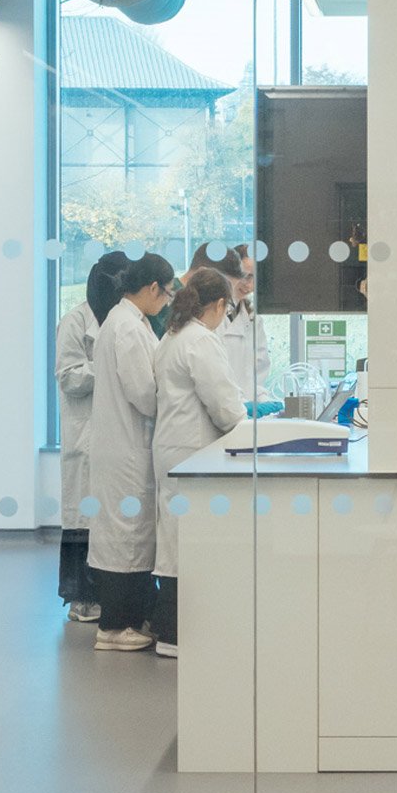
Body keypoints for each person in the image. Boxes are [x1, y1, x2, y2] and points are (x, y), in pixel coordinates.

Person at [150, 267, 247, 659]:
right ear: (220, 304)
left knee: (174, 541)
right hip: (190, 451)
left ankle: (172, 632)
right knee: (185, 545)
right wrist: (250, 424)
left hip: (173, 448)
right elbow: (224, 406)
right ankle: (176, 635)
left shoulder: (172, 336)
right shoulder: (200, 341)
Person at [84, 253, 174, 653]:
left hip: (123, 445)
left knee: (127, 534)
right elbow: (143, 392)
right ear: (153, 287)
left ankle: (126, 620)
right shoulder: (127, 328)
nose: (168, 301)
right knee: (125, 536)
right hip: (126, 448)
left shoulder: (127, 322)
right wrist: (175, 401)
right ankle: (114, 627)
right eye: (167, 292)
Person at [52, 249, 131, 625]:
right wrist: (111, 370)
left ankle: (109, 594)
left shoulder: (124, 319)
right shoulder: (75, 321)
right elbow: (69, 376)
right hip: (85, 432)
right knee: (82, 517)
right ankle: (81, 597)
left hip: (115, 434)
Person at [192, 243, 273, 406]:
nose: (249, 285)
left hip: (241, 408)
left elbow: (259, 372)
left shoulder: (252, 319)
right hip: (220, 406)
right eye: (245, 276)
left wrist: (263, 401)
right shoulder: (208, 314)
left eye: (255, 278)